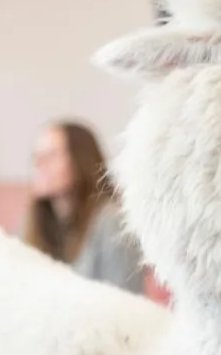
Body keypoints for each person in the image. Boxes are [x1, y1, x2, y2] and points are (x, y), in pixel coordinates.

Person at [21, 120, 144, 295]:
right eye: (36, 156)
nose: (39, 164)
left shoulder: (112, 222)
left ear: (80, 160)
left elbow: (129, 304)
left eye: (51, 155)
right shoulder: (37, 221)